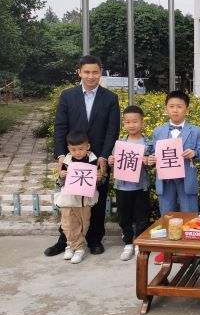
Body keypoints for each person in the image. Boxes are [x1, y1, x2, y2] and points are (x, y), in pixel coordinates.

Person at [45, 55, 120, 257]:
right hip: (73, 158)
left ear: (100, 72)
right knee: (69, 201)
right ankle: (65, 240)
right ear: (79, 72)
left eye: (95, 72)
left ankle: (94, 239)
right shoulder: (67, 96)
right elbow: (60, 127)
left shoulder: (110, 98)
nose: (91, 76)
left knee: (96, 199)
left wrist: (104, 156)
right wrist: (60, 155)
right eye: (86, 72)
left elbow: (112, 131)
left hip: (97, 159)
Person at [150, 91, 200, 264]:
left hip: (186, 178)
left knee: (189, 212)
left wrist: (194, 153)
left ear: (187, 110)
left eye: (179, 107)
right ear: (166, 109)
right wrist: (151, 159)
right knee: (166, 213)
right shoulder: (158, 131)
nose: (175, 110)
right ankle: (167, 250)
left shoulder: (196, 131)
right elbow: (152, 153)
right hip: (165, 178)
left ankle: (189, 248)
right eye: (172, 106)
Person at [107, 105, 153, 261]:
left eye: (135, 121)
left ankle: (139, 242)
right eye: (127, 122)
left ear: (142, 123)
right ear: (123, 124)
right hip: (122, 186)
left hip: (141, 186)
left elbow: (153, 163)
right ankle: (128, 242)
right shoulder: (119, 144)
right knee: (124, 216)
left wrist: (148, 161)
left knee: (142, 216)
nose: (131, 125)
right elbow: (114, 165)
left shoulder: (148, 144)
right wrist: (111, 161)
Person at [54, 131, 100, 264]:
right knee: (67, 224)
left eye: (80, 149)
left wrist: (98, 178)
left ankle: (74, 246)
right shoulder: (66, 161)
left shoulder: (93, 160)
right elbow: (59, 182)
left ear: (88, 147)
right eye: (73, 150)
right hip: (68, 199)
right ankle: (76, 248)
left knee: (83, 224)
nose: (77, 152)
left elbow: (97, 181)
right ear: (68, 149)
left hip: (84, 200)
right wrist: (61, 176)